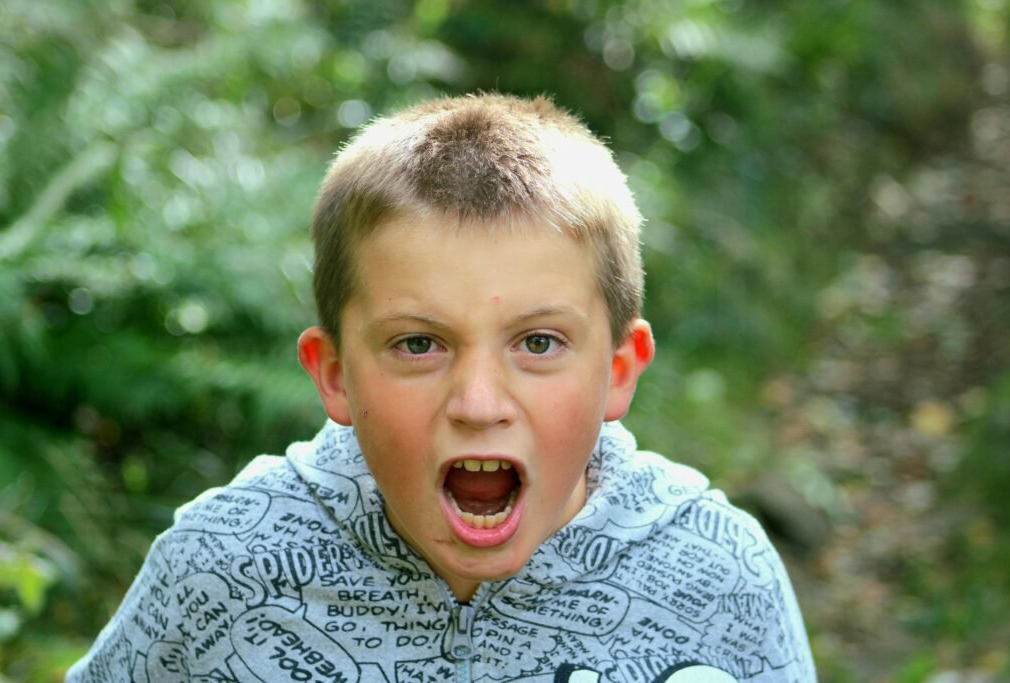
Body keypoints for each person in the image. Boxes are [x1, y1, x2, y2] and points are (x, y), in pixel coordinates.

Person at [66, 93, 816, 682]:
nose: (479, 403)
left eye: (539, 342)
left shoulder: (719, 574)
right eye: (418, 344)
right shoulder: (221, 568)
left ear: (619, 371)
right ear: (335, 374)